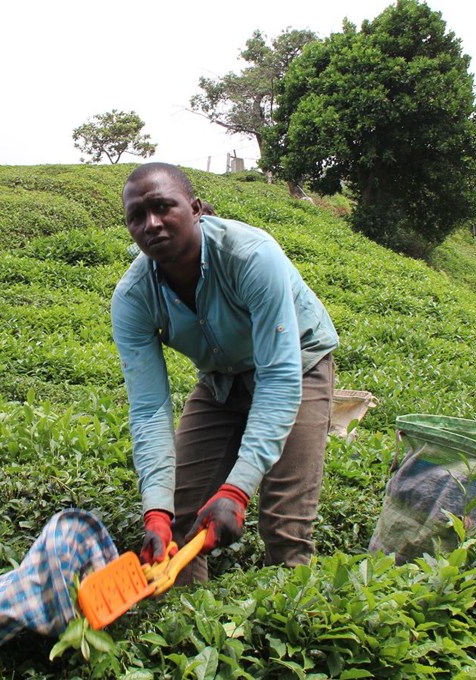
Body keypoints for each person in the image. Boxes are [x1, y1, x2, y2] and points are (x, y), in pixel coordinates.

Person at [111, 162, 338, 583]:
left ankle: (291, 627)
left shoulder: (251, 255)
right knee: (179, 517)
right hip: (221, 378)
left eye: (163, 207)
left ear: (195, 208)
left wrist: (236, 490)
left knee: (283, 524)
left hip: (297, 365)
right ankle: (190, 629)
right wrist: (156, 509)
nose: (152, 224)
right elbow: (148, 411)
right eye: (137, 217)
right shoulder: (132, 298)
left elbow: (278, 375)